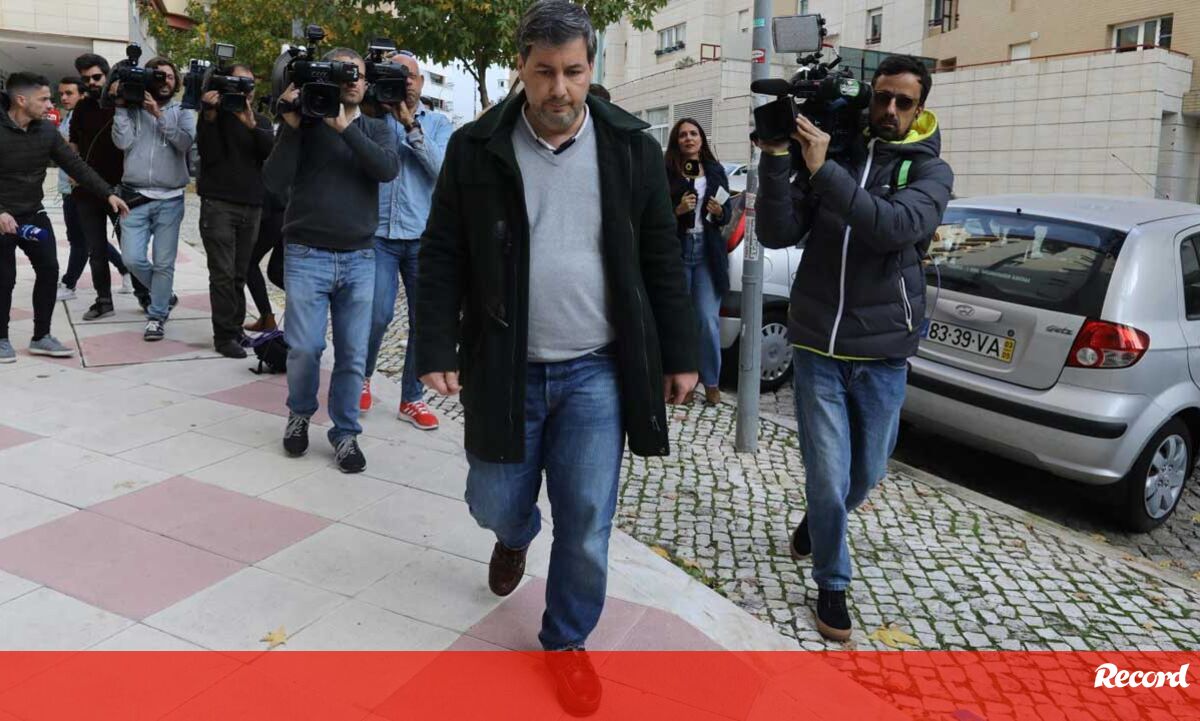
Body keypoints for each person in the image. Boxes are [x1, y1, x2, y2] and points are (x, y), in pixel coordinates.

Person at [415, 1, 697, 714]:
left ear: (591, 68)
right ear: (522, 68)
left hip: (597, 368)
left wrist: (681, 352)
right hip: (503, 364)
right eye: (544, 72)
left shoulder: (630, 147)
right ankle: (514, 535)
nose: (559, 88)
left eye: (573, 71)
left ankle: (567, 639)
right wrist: (436, 343)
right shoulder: (477, 148)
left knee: (589, 516)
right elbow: (442, 251)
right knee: (493, 499)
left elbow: (662, 257)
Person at [756, 54, 954, 642]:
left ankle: (818, 525)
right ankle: (832, 583)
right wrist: (777, 157)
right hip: (818, 343)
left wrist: (824, 172)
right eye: (881, 97)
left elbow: (892, 228)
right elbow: (777, 232)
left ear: (920, 109)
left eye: (903, 101)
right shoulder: (836, 152)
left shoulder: (930, 171)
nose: (888, 109)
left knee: (865, 474)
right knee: (827, 471)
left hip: (883, 351)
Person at [263, 48, 399, 474]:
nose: (352, 81)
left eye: (358, 74)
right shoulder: (302, 126)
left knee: (353, 354)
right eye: (343, 74)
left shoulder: (376, 128)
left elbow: (386, 169)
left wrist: (345, 129)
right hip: (306, 253)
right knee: (305, 348)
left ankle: (345, 432)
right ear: (327, 80)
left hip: (360, 257)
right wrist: (290, 126)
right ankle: (300, 412)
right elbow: (273, 182)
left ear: (367, 82)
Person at [0, 72, 130, 362]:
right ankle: (1, 339)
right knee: (4, 278)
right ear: (21, 100)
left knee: (49, 270)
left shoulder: (46, 132)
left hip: (32, 213)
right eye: (44, 99)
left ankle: (41, 336)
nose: (51, 105)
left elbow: (76, 165)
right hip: (1, 216)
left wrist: (107, 193)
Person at [359, 50, 453, 430]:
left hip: (423, 238)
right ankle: (362, 377)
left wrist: (410, 126)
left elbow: (443, 172)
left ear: (421, 82)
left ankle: (411, 399)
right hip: (380, 234)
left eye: (410, 75)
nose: (405, 81)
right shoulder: (371, 117)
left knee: (422, 321)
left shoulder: (439, 123)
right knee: (378, 314)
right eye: (396, 74)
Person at [111, 56, 196, 342]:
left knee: (163, 263)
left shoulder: (183, 109)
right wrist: (121, 106)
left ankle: (156, 316)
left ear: (176, 81)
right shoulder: (132, 107)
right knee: (131, 258)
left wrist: (158, 115)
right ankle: (164, 293)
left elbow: (185, 142)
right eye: (158, 76)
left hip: (170, 200)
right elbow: (121, 142)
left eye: (169, 76)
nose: (164, 81)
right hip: (134, 196)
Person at [195, 63, 274, 358]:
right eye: (239, 83)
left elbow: (270, 153)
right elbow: (208, 156)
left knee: (239, 273)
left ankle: (236, 329)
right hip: (218, 204)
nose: (246, 90)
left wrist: (251, 124)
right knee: (223, 274)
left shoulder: (260, 121)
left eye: (250, 84)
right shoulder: (212, 118)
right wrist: (210, 115)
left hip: (252, 205)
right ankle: (224, 335)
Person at [71, 53, 148, 320]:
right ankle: (103, 300)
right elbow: (73, 142)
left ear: (107, 75)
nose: (91, 83)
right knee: (96, 249)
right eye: (86, 79)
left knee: (131, 249)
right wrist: (73, 171)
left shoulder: (126, 103)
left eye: (96, 77)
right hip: (87, 190)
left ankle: (145, 295)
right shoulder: (82, 107)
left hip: (122, 189)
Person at [664, 117, 730, 405]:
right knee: (679, 321)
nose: (689, 138)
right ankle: (684, 382)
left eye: (693, 133)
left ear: (702, 139)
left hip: (707, 252)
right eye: (683, 135)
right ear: (676, 141)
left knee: (706, 319)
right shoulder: (667, 171)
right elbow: (655, 213)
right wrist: (677, 210)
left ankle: (711, 381)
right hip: (678, 249)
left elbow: (727, 213)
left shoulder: (715, 171)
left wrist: (720, 212)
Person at [55, 76, 132, 302]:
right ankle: (121, 275)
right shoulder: (70, 116)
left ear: (82, 95)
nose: (64, 98)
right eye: (61, 94)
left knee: (83, 241)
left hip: (94, 187)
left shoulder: (92, 115)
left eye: (69, 93)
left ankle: (69, 283)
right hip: (71, 188)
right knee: (87, 240)